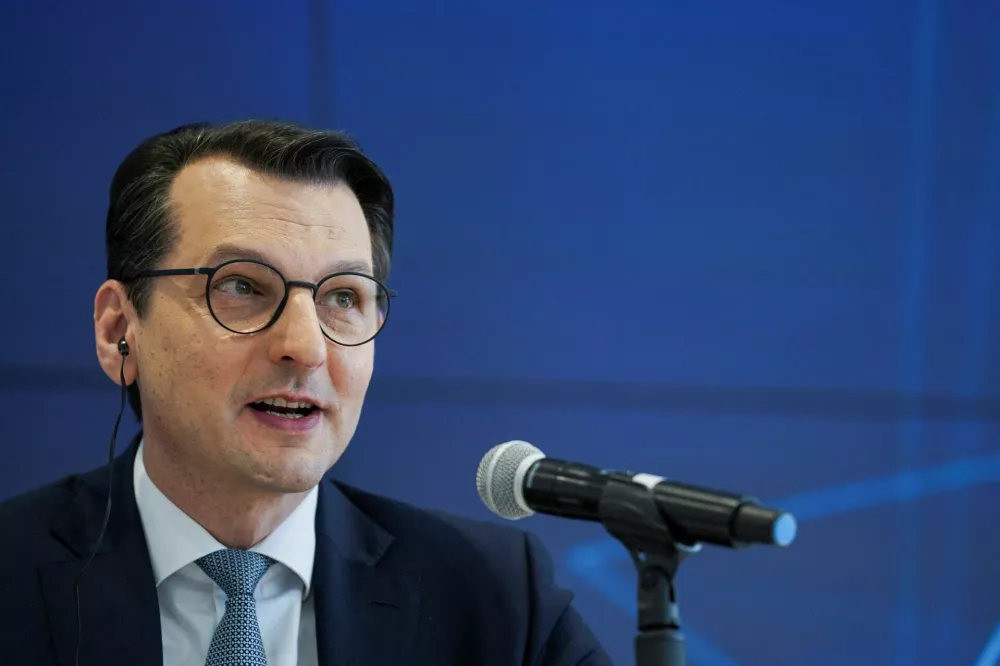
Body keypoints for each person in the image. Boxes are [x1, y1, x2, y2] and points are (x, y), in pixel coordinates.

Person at [0, 120, 612, 666]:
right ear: (119, 332)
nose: (306, 346)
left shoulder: (495, 597)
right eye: (240, 285)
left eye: (344, 297)